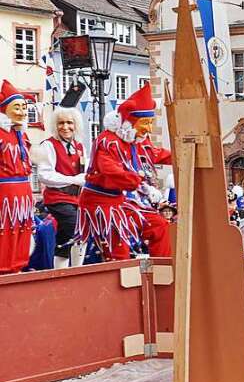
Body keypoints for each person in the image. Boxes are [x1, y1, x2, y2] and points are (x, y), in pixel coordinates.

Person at [76, 83, 172, 261]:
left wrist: (183, 155)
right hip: (99, 204)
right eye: (145, 123)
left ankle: (163, 273)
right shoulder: (107, 141)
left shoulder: (136, 138)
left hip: (120, 201)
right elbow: (111, 170)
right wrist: (142, 185)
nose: (149, 129)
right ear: (129, 121)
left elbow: (155, 154)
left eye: (151, 123)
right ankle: (118, 284)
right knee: (118, 248)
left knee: (158, 225)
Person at [36, 107, 89, 268]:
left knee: (83, 229)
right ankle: (61, 272)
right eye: (61, 123)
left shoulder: (80, 147)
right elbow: (44, 175)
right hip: (57, 197)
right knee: (72, 225)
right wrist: (73, 179)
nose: (65, 127)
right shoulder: (48, 145)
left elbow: (85, 173)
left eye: (69, 123)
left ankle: (77, 269)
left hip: (77, 198)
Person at [0, 81, 35, 274]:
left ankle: (17, 267)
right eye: (17, 107)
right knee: (5, 231)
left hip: (23, 193)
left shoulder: (22, 135)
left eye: (24, 107)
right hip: (4, 193)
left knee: (22, 229)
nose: (22, 112)